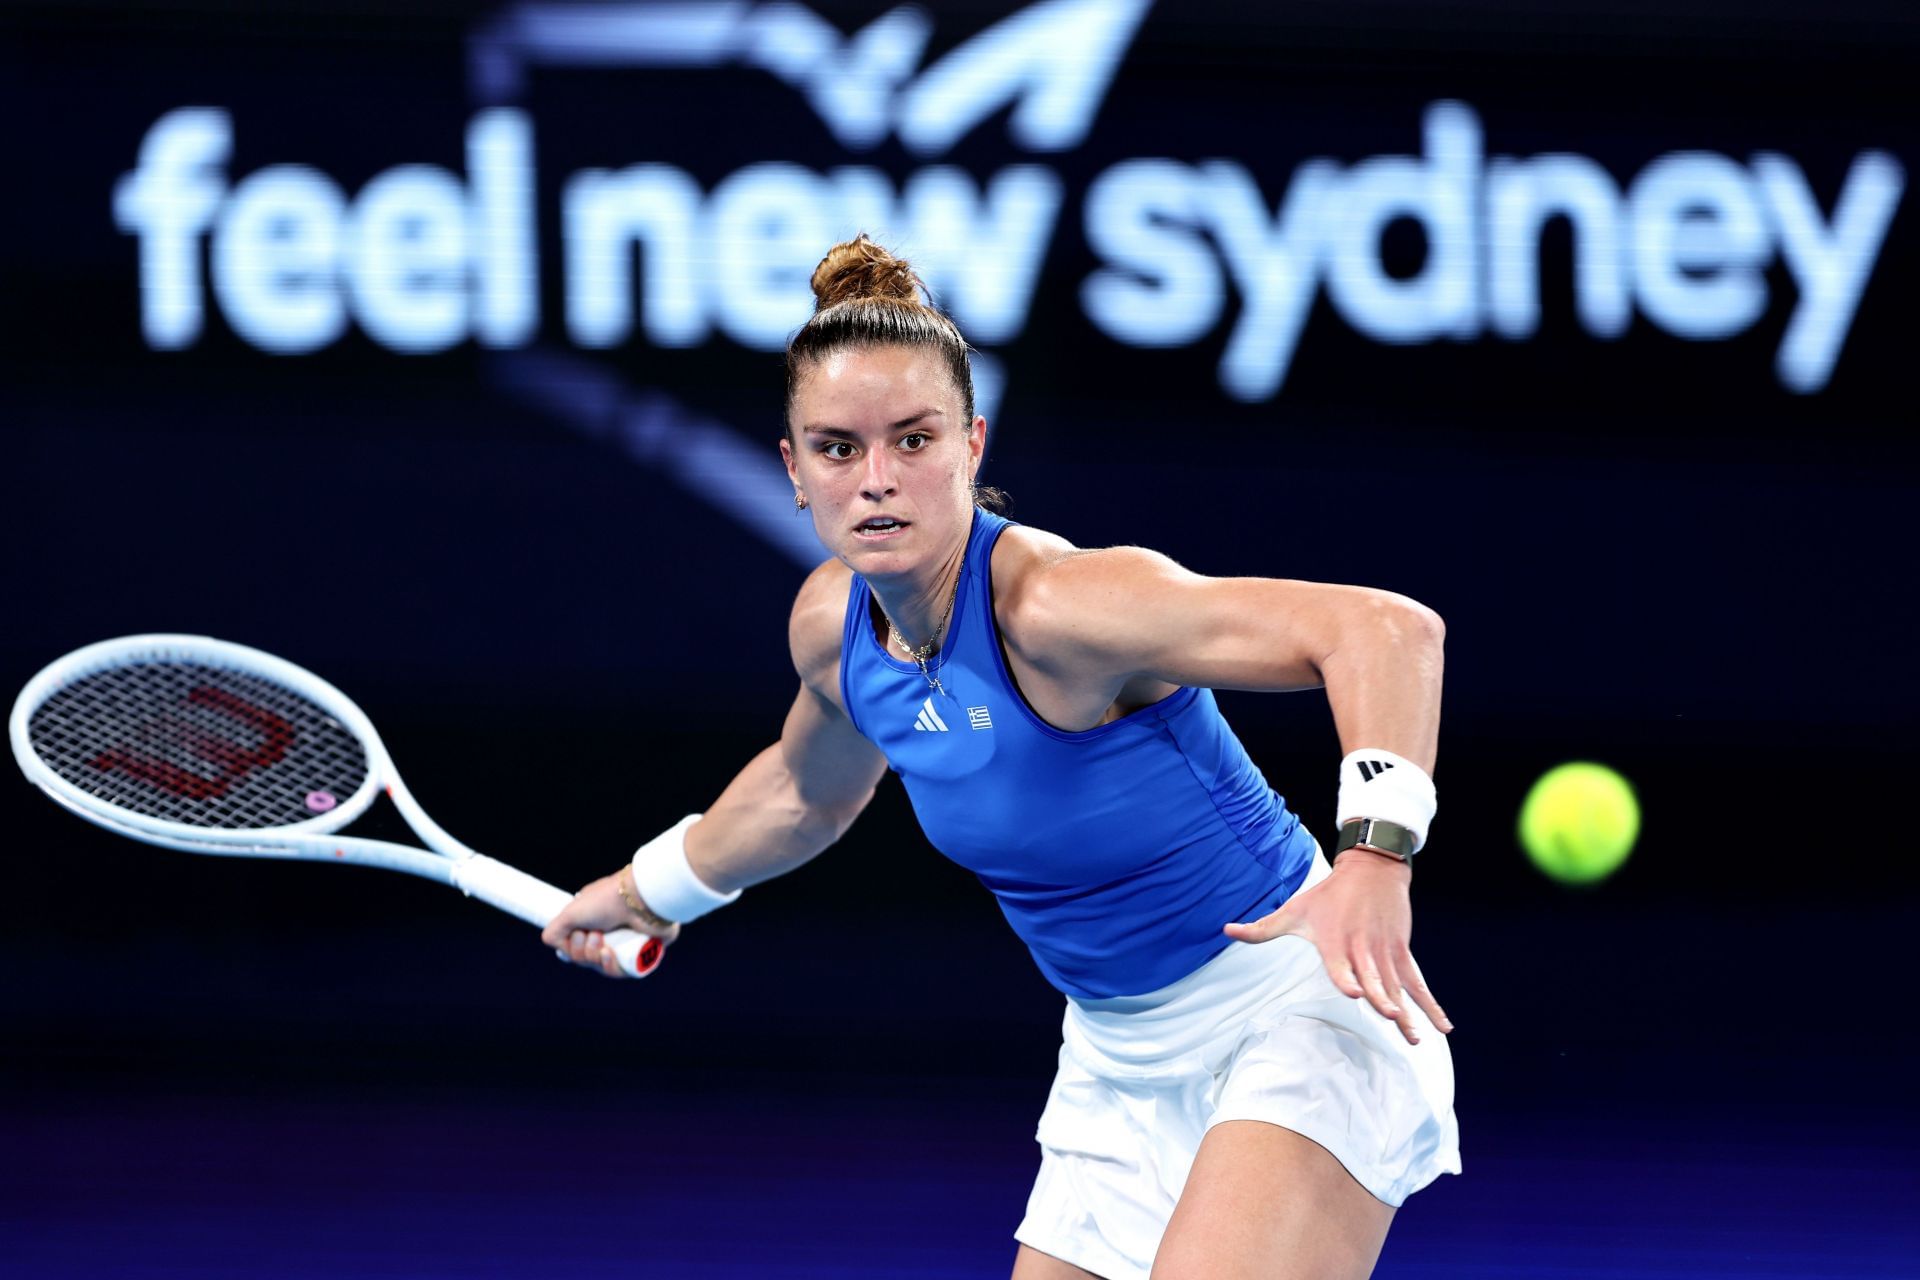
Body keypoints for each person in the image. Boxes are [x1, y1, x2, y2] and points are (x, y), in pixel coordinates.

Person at [542, 235, 1460, 1280]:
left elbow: (1387, 631)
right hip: (1119, 1054)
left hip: (1297, 1005)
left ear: (973, 444)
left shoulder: (1058, 608)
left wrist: (1377, 862)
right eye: (839, 448)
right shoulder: (833, 632)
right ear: (793, 469)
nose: (878, 480)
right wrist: (649, 888)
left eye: (914, 440)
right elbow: (805, 792)